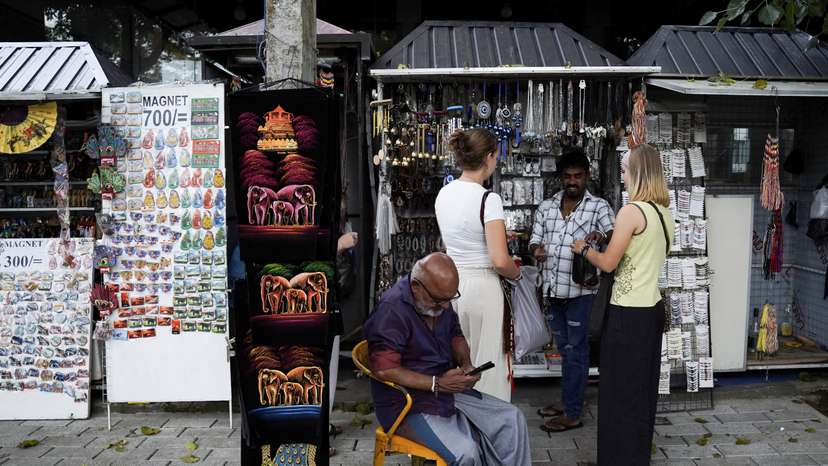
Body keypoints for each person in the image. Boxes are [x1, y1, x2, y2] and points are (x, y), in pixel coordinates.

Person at [363, 253, 531, 466]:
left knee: (512, 419)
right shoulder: (391, 310)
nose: (444, 307)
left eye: (449, 299)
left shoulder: (439, 296)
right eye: (438, 301)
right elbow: (385, 369)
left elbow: (455, 336)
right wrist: (436, 383)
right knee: (466, 452)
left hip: (446, 392)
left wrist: (466, 365)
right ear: (416, 287)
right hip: (407, 405)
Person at [571, 144, 674, 465]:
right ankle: (636, 456)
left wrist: (583, 249)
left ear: (638, 173)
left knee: (617, 393)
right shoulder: (663, 213)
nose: (622, 175)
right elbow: (641, 255)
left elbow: (609, 263)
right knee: (641, 392)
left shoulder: (631, 211)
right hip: (651, 311)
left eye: (626, 169)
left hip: (627, 313)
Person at [528, 148, 615, 432]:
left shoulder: (598, 206)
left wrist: (599, 236)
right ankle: (568, 401)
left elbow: (614, 235)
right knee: (566, 351)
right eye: (568, 176)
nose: (573, 181)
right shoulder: (547, 207)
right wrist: (537, 250)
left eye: (578, 176)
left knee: (576, 351)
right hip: (553, 292)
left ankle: (573, 413)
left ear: (587, 176)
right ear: (561, 178)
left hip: (581, 294)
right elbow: (534, 240)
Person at [434, 128, 521, 402]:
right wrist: (517, 274)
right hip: (483, 288)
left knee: (457, 361)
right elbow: (500, 260)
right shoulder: (488, 199)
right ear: (488, 157)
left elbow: (458, 239)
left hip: (452, 286)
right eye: (496, 155)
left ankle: (459, 417)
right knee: (487, 364)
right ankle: (489, 419)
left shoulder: (444, 194)